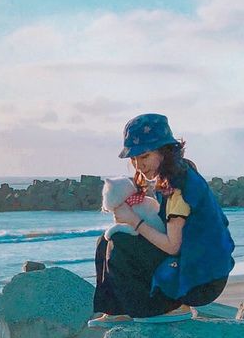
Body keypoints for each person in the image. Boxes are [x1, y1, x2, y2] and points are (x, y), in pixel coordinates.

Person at [92, 113, 235, 324]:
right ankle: (117, 309)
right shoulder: (169, 178)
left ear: (164, 151)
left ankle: (167, 308)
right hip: (191, 266)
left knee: (120, 243)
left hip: (202, 279)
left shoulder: (179, 185)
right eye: (133, 159)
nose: (138, 165)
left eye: (144, 156)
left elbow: (172, 246)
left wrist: (133, 220)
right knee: (103, 242)